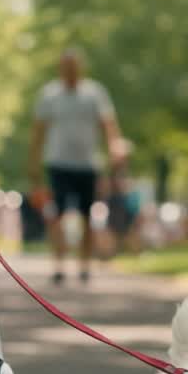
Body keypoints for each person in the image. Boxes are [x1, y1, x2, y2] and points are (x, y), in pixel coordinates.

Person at [28, 48, 122, 284]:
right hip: (58, 163)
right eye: (66, 66)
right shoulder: (49, 95)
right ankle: (59, 265)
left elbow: (109, 126)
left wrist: (115, 149)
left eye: (74, 66)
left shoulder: (95, 93)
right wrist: (33, 162)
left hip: (88, 164)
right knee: (56, 216)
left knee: (87, 217)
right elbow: (38, 132)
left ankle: (84, 265)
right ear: (61, 68)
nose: (70, 71)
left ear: (80, 68)